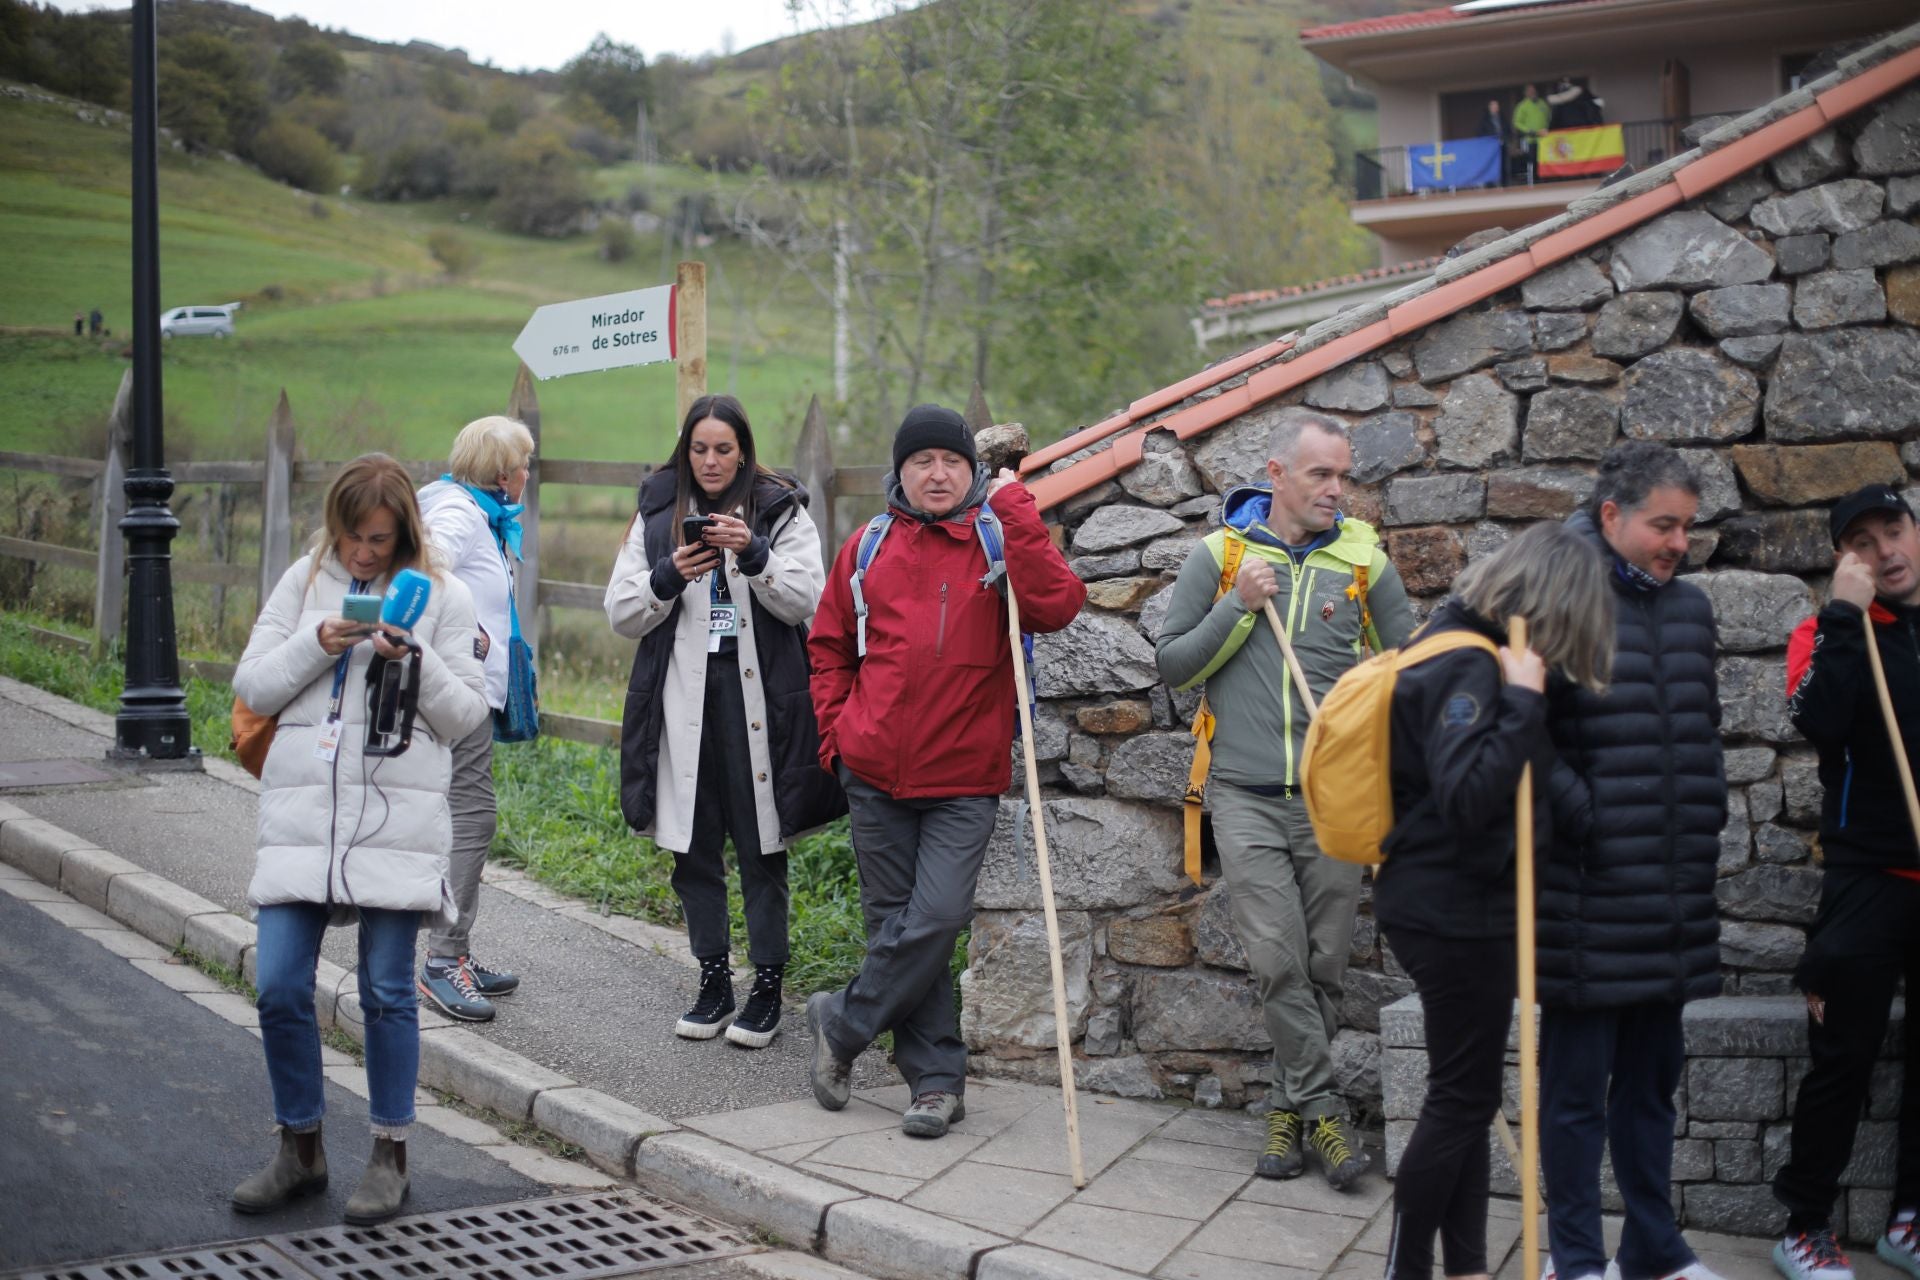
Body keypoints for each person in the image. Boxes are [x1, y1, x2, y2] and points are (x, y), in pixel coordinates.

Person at [805, 403, 1083, 1137]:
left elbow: (1059, 605)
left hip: (964, 777)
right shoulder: (867, 546)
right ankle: (934, 1083)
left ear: (972, 471)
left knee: (937, 919)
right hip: (875, 773)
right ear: (900, 471)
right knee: (896, 928)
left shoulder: (997, 538)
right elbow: (829, 646)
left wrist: (1016, 504)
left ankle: (842, 1022)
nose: (938, 473)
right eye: (923, 461)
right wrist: (839, 735)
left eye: (952, 462)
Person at [1155, 407, 1414, 1190]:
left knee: (1323, 968)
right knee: (1276, 960)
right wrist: (1237, 602)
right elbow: (1173, 665)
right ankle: (1328, 1117)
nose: (1339, 490)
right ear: (1276, 476)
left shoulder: (1365, 565)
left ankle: (1284, 1106)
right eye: (1321, 475)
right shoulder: (1222, 555)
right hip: (1244, 793)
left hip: (1338, 800)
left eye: (1344, 475)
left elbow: (1410, 674)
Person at [230, 453, 488, 1225]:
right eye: (351, 538)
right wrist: (322, 641)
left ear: (404, 532)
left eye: (378, 539)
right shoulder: (302, 581)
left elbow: (465, 716)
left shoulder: (447, 594)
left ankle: (390, 1156)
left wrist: (416, 656)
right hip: (301, 817)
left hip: (397, 823)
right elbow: (253, 685)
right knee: (277, 983)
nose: (363, 554)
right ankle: (299, 1147)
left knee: (384, 991)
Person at [1377, 522, 1614, 1280]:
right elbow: (1469, 797)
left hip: (1447, 903)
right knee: (1459, 1098)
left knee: (1468, 1098)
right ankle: (1407, 1267)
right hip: (1454, 914)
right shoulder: (1472, 667)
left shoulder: (1453, 641)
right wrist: (1520, 703)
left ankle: (1466, 1268)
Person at [1539, 441, 1727, 1280]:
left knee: (1653, 1090)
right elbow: (1525, 735)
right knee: (1577, 1101)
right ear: (1612, 516)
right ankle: (1578, 1260)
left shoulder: (1690, 610)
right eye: (1664, 524)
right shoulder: (1558, 596)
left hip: (1674, 894)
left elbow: (1704, 732)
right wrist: (1587, 818)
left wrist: (1708, 817)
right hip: (1589, 896)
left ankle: (1654, 1248)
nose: (1678, 542)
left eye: (1687, 527)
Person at [607, 394, 841, 1048]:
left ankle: (767, 985)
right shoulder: (657, 511)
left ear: (744, 452)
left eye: (724, 449)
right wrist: (667, 575)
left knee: (760, 841)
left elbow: (809, 602)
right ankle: (713, 980)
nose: (711, 462)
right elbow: (620, 611)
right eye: (700, 449)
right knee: (692, 840)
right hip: (683, 697)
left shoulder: (779, 507)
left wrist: (756, 555)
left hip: (757, 696)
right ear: (687, 451)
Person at [1772, 484, 1920, 1280]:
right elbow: (1816, 721)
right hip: (1867, 874)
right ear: (1844, 561)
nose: (1885, 549)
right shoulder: (1826, 631)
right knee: (1843, 1056)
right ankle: (1803, 1225)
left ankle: (1910, 1219)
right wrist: (1842, 619)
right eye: (1861, 541)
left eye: (1893, 529)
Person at [412, 415, 535, 1022]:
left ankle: (455, 949)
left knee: (463, 815)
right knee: (472, 817)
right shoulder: (458, 515)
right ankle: (442, 963)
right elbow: (421, 574)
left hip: (459, 691)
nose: (529, 475)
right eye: (524, 465)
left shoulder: (466, 508)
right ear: (502, 473)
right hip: (454, 693)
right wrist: (474, 637)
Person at [1513, 84, 1550, 179]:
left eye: (1533, 90)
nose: (1532, 92)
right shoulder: (1523, 106)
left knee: (1545, 160)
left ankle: (1546, 179)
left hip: (1544, 139)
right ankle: (1534, 180)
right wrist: (1529, 131)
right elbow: (1517, 122)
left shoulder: (1542, 103)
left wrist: (1547, 128)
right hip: (1531, 139)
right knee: (1532, 160)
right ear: (1526, 93)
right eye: (1529, 91)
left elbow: (1549, 117)